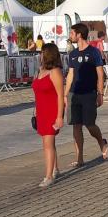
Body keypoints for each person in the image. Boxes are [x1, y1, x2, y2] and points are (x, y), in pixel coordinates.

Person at [64, 23, 108, 167]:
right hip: (74, 94)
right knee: (76, 126)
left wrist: (100, 93)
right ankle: (80, 159)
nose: (70, 36)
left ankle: (102, 143)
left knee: (90, 125)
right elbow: (70, 75)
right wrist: (65, 95)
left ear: (79, 35)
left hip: (89, 93)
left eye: (72, 33)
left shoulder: (94, 52)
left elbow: (100, 73)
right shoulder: (73, 54)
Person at [33, 43, 65, 188]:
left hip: (52, 111)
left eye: (42, 53)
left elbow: (60, 95)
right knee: (47, 143)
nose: (40, 55)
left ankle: (49, 176)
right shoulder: (40, 70)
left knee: (48, 143)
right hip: (41, 111)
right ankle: (55, 168)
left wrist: (60, 116)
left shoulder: (55, 72)